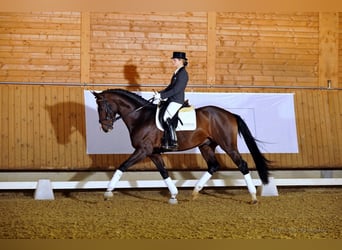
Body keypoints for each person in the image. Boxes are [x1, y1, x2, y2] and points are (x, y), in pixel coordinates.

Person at [154, 51, 189, 150]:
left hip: (177, 101)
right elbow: (170, 87)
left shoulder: (183, 74)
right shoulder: (177, 73)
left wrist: (162, 96)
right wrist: (159, 94)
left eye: (174, 60)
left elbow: (176, 89)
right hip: (171, 100)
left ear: (180, 61)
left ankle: (173, 141)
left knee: (166, 117)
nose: (173, 62)